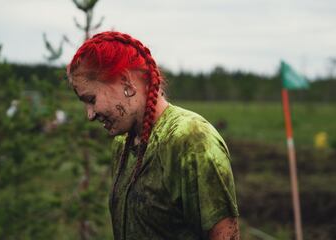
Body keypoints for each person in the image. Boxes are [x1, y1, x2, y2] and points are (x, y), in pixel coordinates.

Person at [67, 31, 239, 240]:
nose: (90, 114)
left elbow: (225, 235)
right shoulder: (123, 145)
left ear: (125, 82)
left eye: (91, 99)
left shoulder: (191, 139)